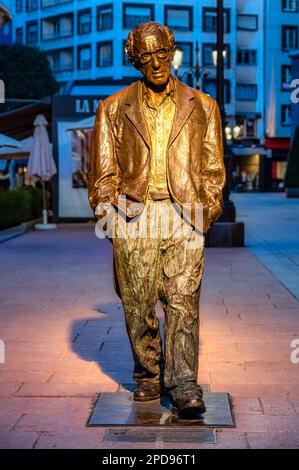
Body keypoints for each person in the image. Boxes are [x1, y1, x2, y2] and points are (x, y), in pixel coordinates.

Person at [88, 22, 225, 417]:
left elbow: (214, 166)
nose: (156, 63)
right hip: (135, 215)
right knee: (138, 303)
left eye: (161, 53)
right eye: (145, 56)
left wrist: (207, 211)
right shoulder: (113, 108)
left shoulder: (203, 105)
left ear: (172, 50)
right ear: (135, 60)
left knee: (184, 301)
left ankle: (184, 383)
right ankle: (147, 372)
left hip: (186, 216)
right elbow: (102, 174)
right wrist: (111, 216)